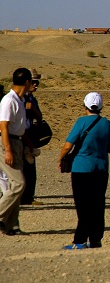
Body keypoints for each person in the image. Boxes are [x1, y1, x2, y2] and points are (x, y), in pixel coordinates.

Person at [57, 92, 110, 250]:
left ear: (85, 106)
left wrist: (61, 157)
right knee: (97, 204)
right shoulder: (107, 124)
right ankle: (96, 239)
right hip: (101, 168)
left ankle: (79, 240)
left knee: (83, 205)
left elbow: (68, 145)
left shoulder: (81, 122)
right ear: (101, 107)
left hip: (82, 168)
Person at [0, 67, 35, 235]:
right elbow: (4, 126)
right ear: (26, 82)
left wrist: (28, 144)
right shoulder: (9, 100)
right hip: (8, 143)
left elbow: (20, 128)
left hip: (17, 142)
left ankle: (11, 224)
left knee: (17, 185)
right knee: (19, 183)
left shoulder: (19, 100)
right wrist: (8, 151)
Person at [21, 70, 43, 206]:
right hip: (19, 135)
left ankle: (28, 196)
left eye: (37, 82)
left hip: (29, 134)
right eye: (33, 82)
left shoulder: (32, 99)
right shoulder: (20, 98)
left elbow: (40, 117)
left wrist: (33, 109)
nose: (36, 85)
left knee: (30, 165)